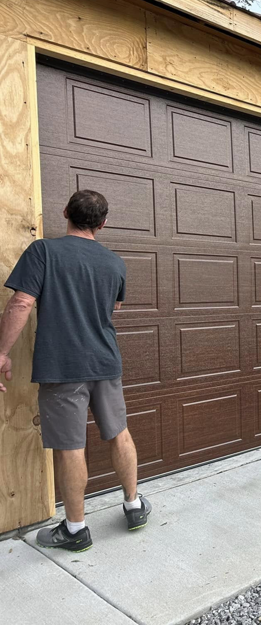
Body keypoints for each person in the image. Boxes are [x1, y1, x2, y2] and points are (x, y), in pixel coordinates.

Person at [0, 190, 152, 552]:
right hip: (105, 361)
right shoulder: (115, 263)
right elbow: (113, 305)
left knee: (70, 447)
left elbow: (22, 301)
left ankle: (75, 530)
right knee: (120, 434)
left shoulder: (44, 252)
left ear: (65, 211)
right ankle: (133, 506)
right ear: (102, 223)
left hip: (63, 365)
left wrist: (3, 351)